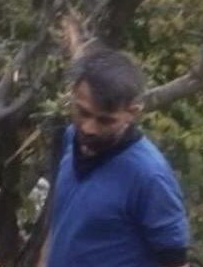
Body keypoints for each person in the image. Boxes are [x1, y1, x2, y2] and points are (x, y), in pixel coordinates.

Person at [43, 47, 190, 267]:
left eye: (105, 121)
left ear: (132, 113)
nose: (89, 128)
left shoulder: (149, 176)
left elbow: (175, 262)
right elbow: (61, 225)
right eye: (83, 113)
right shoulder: (71, 138)